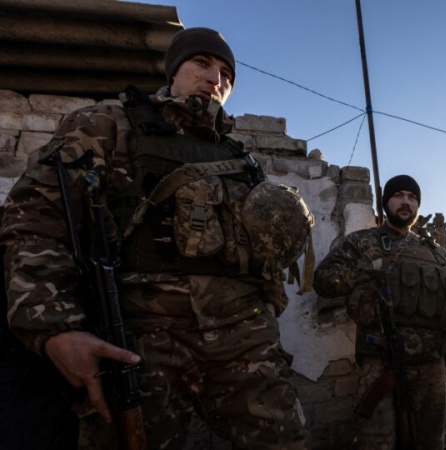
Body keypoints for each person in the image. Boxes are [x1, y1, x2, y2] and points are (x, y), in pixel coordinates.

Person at [1, 27, 309, 449]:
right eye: (202, 63)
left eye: (227, 74)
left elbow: (266, 250)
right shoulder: (107, 124)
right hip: (143, 339)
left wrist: (269, 308)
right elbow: (34, 220)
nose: (215, 79)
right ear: (173, 71)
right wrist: (55, 328)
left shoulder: (242, 158)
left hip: (245, 337)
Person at [313, 175, 446, 450]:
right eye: (398, 195)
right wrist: (366, 271)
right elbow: (323, 280)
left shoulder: (434, 251)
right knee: (376, 440)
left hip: (431, 364)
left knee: (430, 442)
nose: (406, 202)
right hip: (381, 361)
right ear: (386, 202)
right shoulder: (363, 242)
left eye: (412, 198)